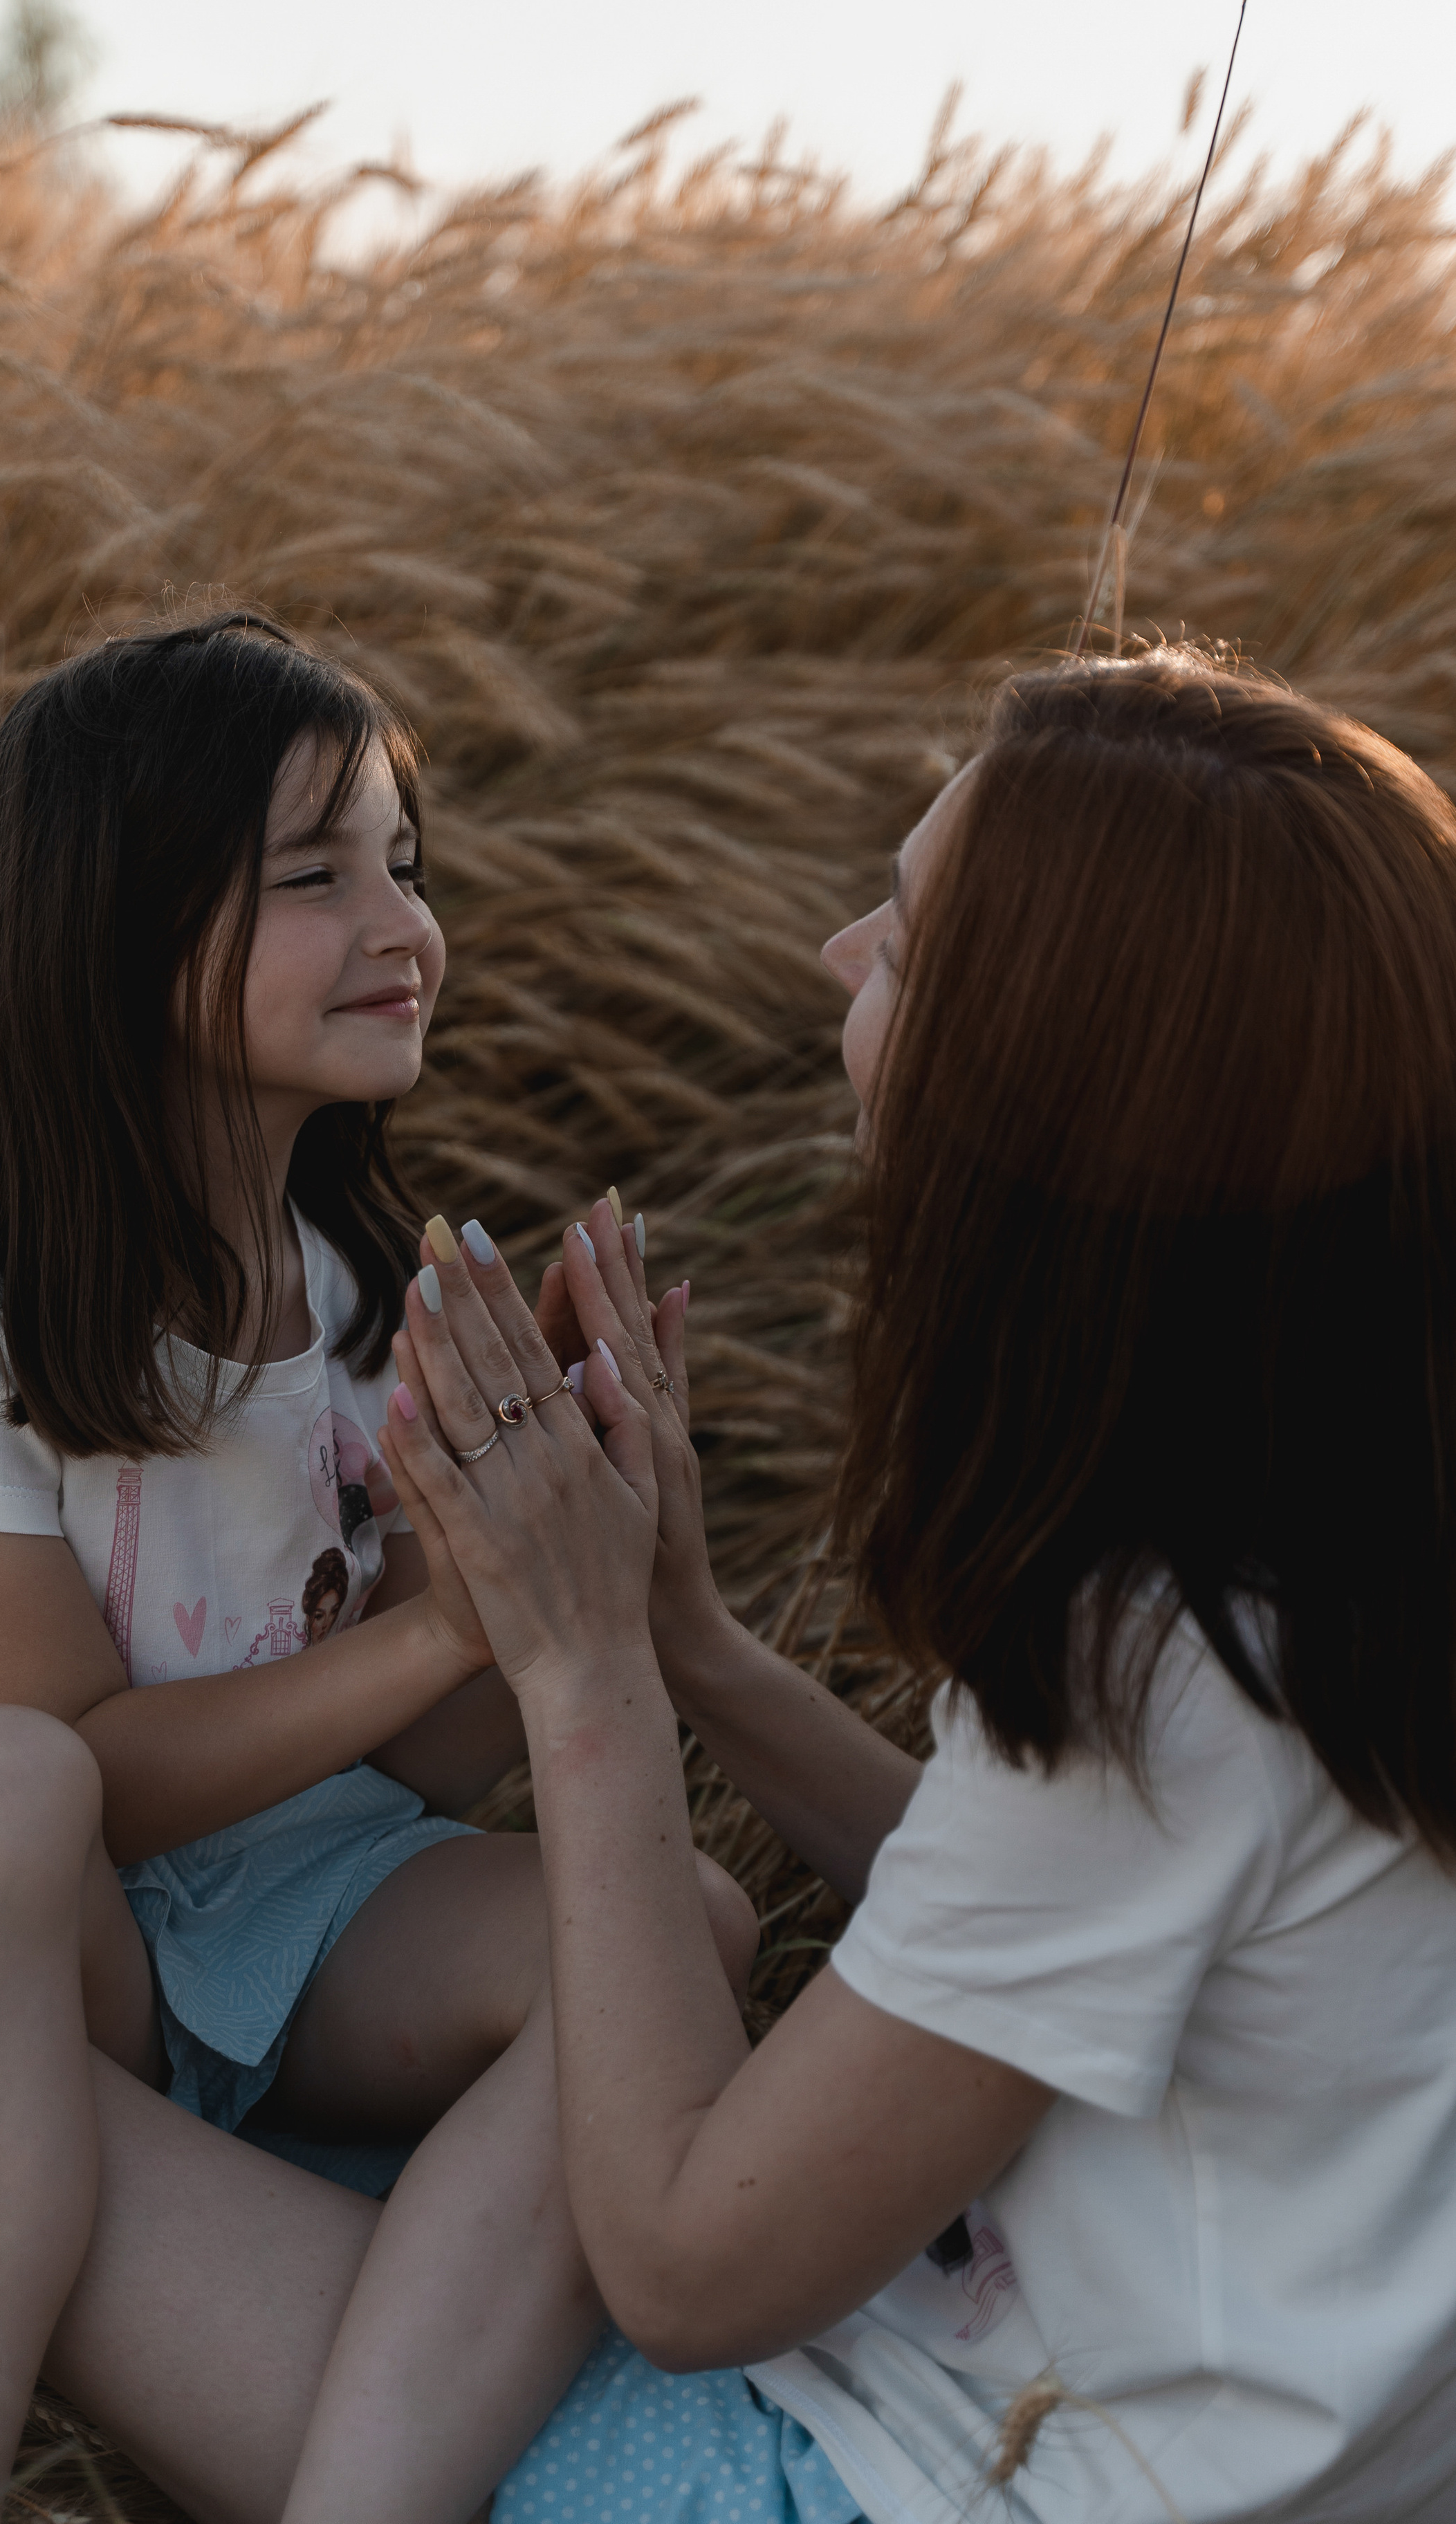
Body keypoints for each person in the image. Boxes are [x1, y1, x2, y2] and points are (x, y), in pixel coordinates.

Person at [371, 648, 1456, 2523]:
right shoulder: (1336, 1540)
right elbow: (1050, 1918)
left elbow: (685, 2273)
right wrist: (695, 1646)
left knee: (154, 2206)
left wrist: (582, 1668)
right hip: (1201, 2428)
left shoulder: (1165, 1661)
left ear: (1055, 1085)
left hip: (962, 2479)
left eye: (904, 937)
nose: (837, 957)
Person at [0, 606, 759, 2524]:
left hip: (286, 1897)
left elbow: (415, 1773)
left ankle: (352, 2336)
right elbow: (78, 1774)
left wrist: (547, 1550)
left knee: (672, 1926)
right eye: (314, 877)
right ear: (116, 928)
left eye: (406, 866)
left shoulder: (366, 1292)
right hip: (1, 1926)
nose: (402, 922)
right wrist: (437, 1622)